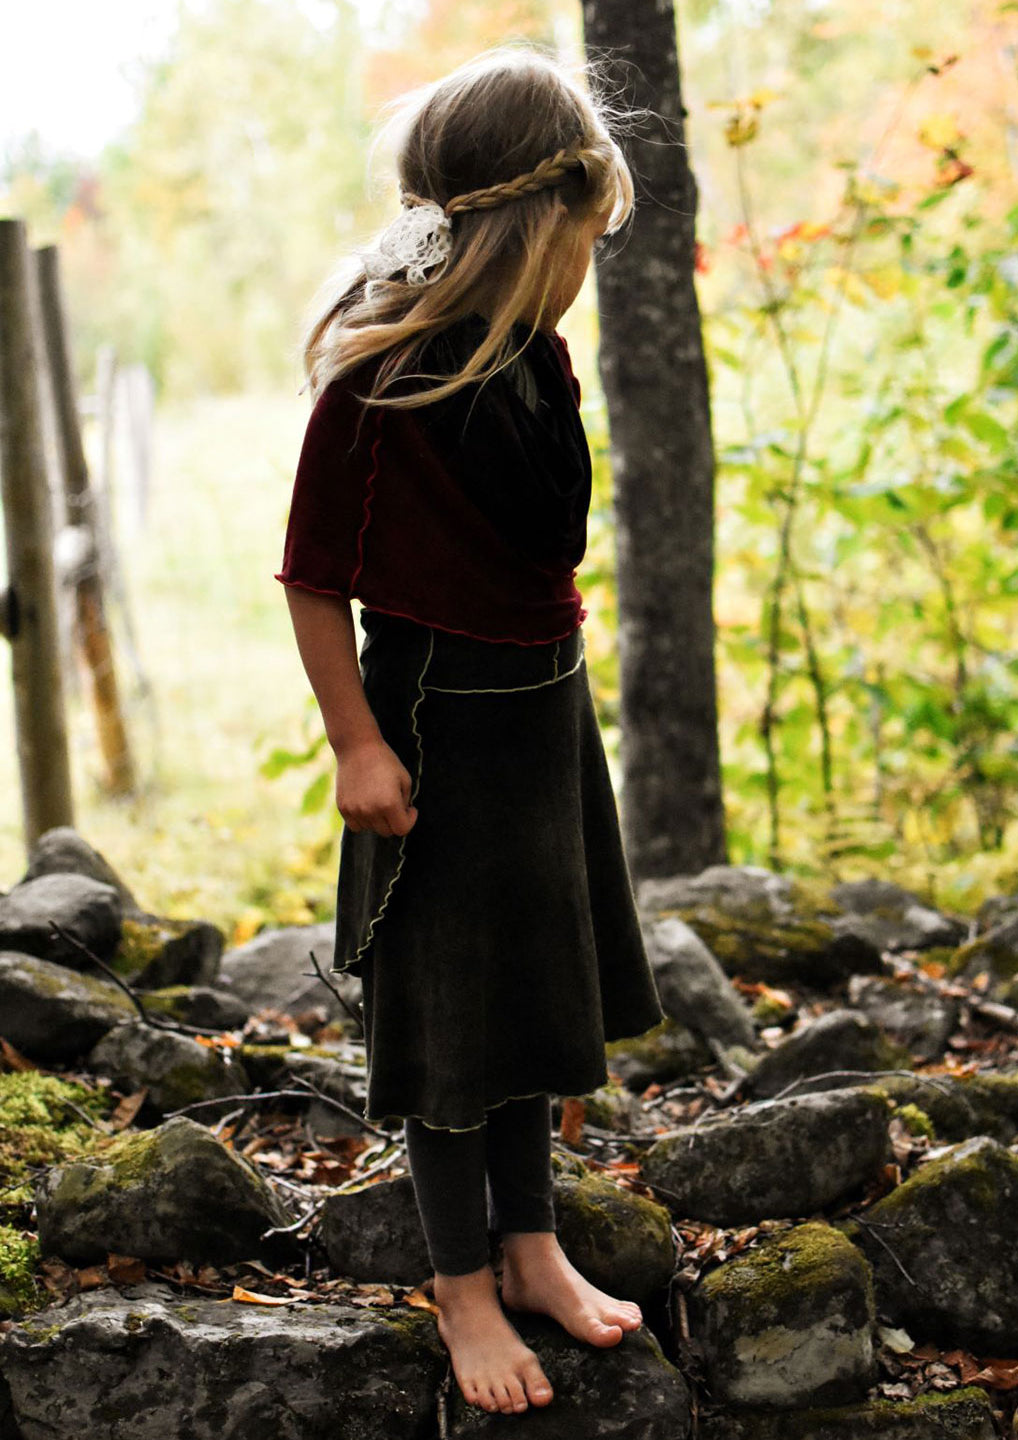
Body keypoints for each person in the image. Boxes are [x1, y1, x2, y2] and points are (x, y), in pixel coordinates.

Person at [274, 43, 666, 1418]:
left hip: (543, 721)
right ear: (529, 225)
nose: (586, 265)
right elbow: (314, 579)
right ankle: (461, 1286)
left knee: (532, 992)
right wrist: (355, 745)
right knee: (451, 1019)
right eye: (585, 239)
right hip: (434, 728)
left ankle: (532, 1246)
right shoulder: (380, 381)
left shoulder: (536, 361)